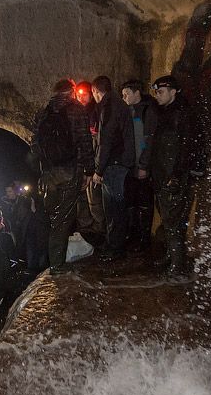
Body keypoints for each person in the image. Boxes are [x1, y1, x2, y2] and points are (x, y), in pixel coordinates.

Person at [31, 79, 94, 275]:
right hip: (70, 170)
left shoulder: (43, 113)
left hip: (50, 173)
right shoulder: (77, 110)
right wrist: (89, 171)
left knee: (55, 217)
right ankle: (57, 265)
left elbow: (34, 145)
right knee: (62, 218)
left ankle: (54, 259)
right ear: (72, 91)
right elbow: (85, 141)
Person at [148, 76, 207, 283]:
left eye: (161, 92)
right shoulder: (164, 113)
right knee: (167, 218)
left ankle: (178, 267)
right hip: (162, 175)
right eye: (156, 92)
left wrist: (176, 176)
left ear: (173, 91)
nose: (157, 96)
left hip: (174, 177)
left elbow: (186, 149)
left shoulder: (183, 115)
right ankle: (172, 256)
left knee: (173, 221)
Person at [90, 75, 135, 261]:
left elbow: (105, 142)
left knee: (113, 207)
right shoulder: (118, 104)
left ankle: (115, 248)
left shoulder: (108, 108)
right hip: (120, 162)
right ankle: (117, 243)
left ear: (96, 91)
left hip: (114, 164)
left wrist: (98, 170)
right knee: (117, 206)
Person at [121, 79, 160, 252]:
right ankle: (132, 235)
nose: (124, 97)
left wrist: (144, 165)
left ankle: (144, 239)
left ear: (137, 93)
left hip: (142, 166)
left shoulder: (148, 111)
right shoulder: (126, 111)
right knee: (130, 202)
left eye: (126, 94)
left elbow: (149, 140)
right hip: (129, 166)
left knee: (144, 203)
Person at [74, 82, 106, 242]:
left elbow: (96, 141)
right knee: (81, 200)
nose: (81, 97)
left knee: (94, 200)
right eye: (78, 95)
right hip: (79, 163)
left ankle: (99, 231)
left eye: (84, 94)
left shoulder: (96, 112)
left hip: (92, 163)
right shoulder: (74, 113)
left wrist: (94, 167)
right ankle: (85, 230)